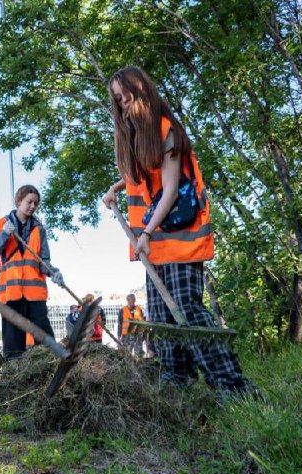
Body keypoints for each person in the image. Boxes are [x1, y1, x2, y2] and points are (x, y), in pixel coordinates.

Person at [103, 66, 254, 396]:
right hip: (155, 243)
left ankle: (231, 384)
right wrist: (117, 186)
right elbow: (146, 174)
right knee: (160, 316)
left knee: (186, 308)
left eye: (126, 94)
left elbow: (169, 189)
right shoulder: (135, 136)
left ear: (142, 90)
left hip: (180, 238)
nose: (123, 101)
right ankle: (178, 382)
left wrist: (144, 232)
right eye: (118, 98)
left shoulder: (166, 129)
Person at [0, 185, 63, 360]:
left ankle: (48, 369)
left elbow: (43, 261)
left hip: (34, 295)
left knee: (44, 337)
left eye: (36, 203)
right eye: (29, 202)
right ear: (18, 201)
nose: (32, 206)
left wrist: (54, 273)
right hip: (10, 294)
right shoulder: (0, 226)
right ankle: (13, 379)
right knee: (13, 344)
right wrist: (4, 235)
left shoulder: (39, 229)